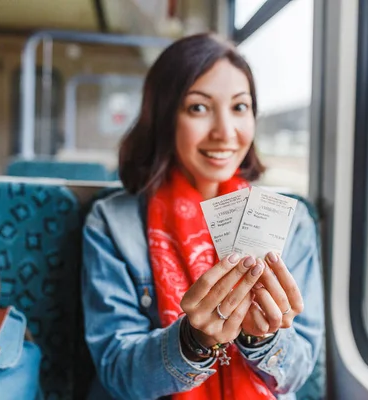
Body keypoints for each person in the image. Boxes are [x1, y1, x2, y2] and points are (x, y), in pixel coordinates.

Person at [81, 33, 324, 400]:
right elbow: (117, 370)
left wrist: (264, 338)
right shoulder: (112, 223)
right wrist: (192, 342)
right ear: (164, 117)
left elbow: (300, 371)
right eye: (198, 107)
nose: (225, 132)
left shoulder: (293, 223)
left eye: (240, 107)